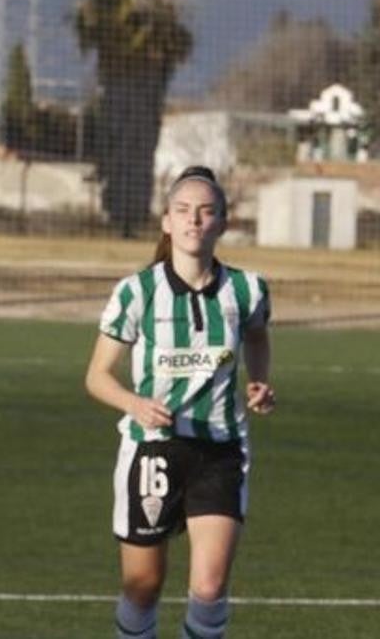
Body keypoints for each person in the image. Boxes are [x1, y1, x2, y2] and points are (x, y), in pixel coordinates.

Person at [84, 166, 276, 639]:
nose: (195, 221)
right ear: (167, 222)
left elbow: (256, 335)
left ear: (222, 224)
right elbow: (96, 377)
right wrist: (134, 404)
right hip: (153, 449)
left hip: (220, 450)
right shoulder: (137, 292)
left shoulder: (247, 289)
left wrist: (260, 382)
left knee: (209, 587)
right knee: (143, 585)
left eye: (206, 212)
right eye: (184, 211)